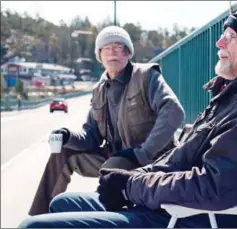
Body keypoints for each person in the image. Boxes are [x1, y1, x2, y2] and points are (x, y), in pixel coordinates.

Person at [20, 7, 237, 228]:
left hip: (183, 217)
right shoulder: (232, 97)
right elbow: (180, 160)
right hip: (164, 202)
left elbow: (212, 185)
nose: (219, 42)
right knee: (63, 202)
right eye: (106, 49)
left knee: (34, 227)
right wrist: (133, 178)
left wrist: (132, 180)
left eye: (231, 36)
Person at [27, 25, 185, 216]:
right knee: (63, 152)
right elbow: (90, 136)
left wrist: (143, 153)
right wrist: (67, 136)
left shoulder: (146, 76)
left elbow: (174, 111)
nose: (112, 53)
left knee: (113, 167)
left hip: (151, 158)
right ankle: (38, 219)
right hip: (115, 156)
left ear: (128, 53)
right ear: (99, 55)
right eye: (106, 48)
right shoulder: (99, 89)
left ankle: (98, 220)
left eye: (118, 47)